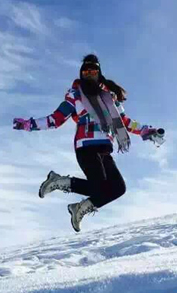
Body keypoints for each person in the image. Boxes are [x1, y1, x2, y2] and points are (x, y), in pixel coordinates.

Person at [12, 54, 162, 232]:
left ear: (99, 73)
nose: (89, 73)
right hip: (86, 146)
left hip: (104, 148)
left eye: (93, 70)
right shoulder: (75, 95)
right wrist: (30, 124)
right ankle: (59, 182)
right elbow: (56, 119)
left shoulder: (110, 98)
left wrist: (146, 130)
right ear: (81, 73)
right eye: (85, 70)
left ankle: (80, 207)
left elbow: (125, 122)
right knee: (99, 186)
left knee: (118, 188)